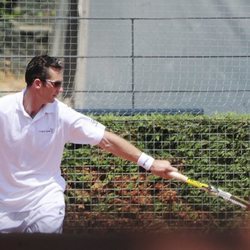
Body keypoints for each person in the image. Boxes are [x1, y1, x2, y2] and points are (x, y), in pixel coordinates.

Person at [0, 55, 178, 233]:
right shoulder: (4, 110)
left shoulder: (62, 115)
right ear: (38, 84)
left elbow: (106, 140)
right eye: (56, 84)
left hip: (44, 202)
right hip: (5, 206)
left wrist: (150, 163)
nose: (60, 90)